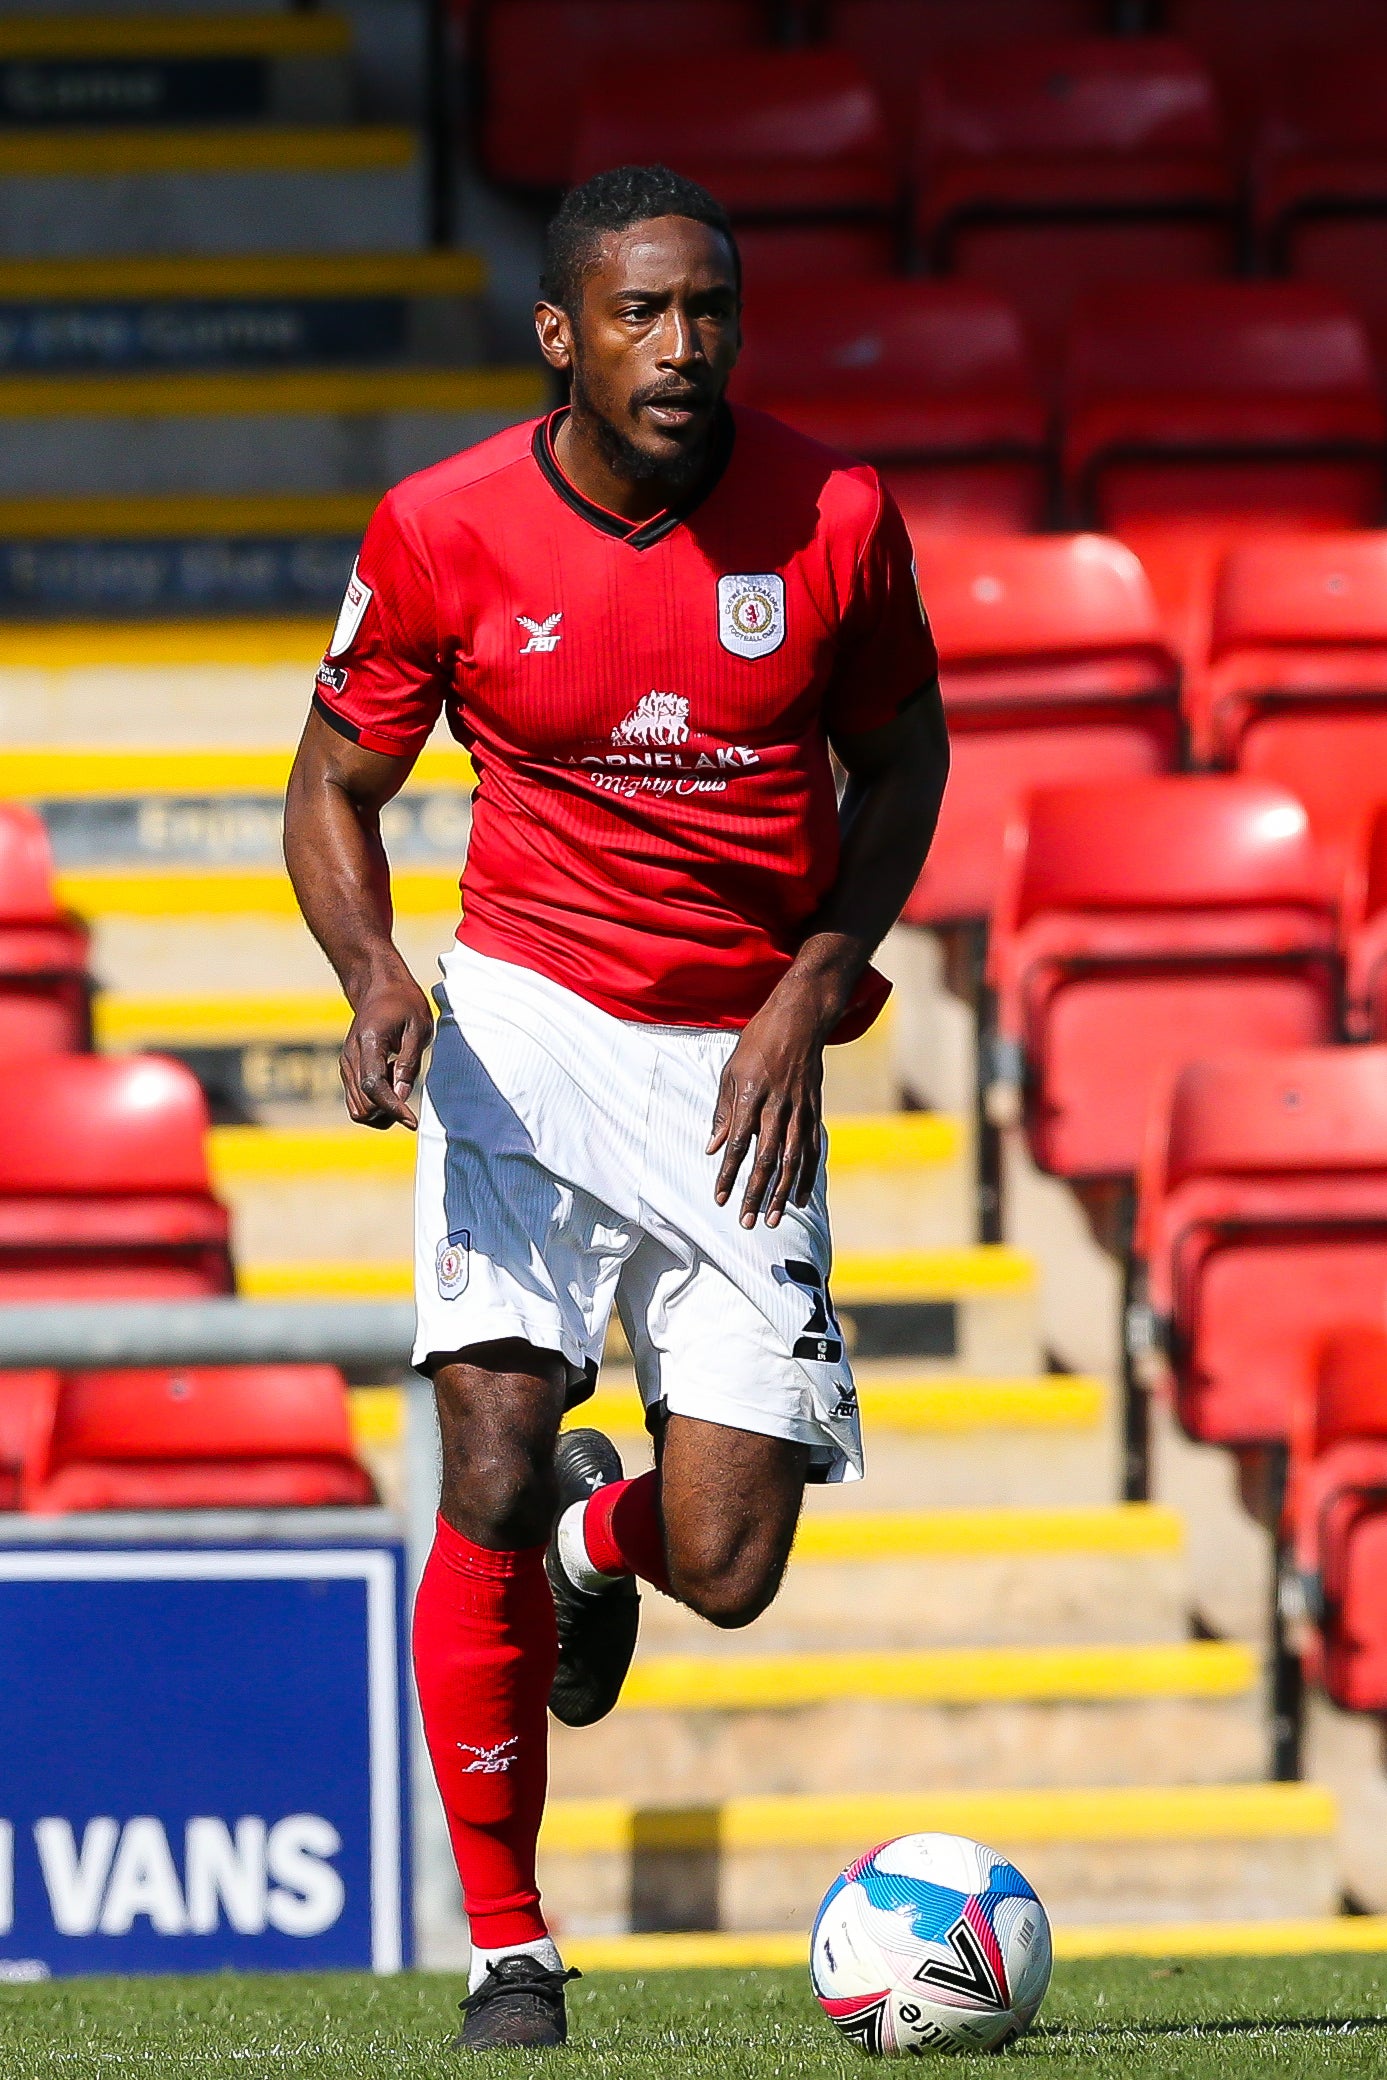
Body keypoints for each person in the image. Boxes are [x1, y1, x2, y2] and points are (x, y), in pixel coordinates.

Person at [284, 161, 949, 2051]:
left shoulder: (834, 515)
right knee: (488, 1449)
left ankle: (600, 1546)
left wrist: (823, 972)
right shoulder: (440, 527)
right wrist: (380, 980)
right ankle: (511, 1952)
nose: (686, 346)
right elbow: (332, 788)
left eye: (712, 310)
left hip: (741, 1051)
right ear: (561, 335)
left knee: (729, 1566)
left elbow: (905, 763)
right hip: (523, 1031)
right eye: (645, 315)